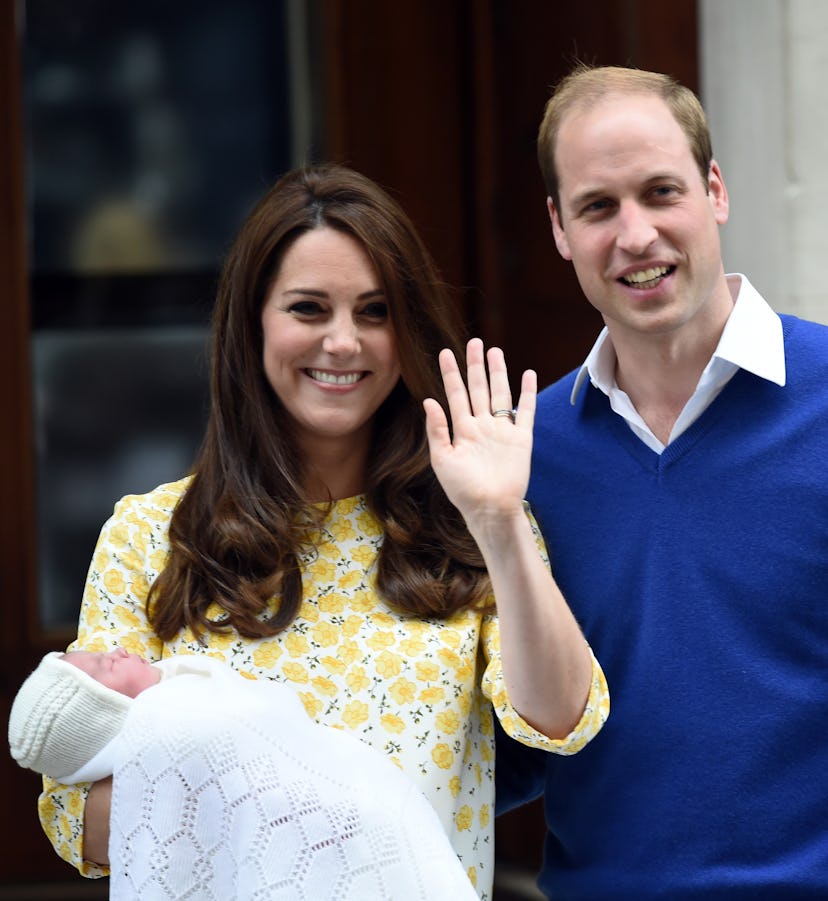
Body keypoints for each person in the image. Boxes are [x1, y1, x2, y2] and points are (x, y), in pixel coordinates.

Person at [36, 164, 609, 899]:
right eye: (309, 308)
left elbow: (562, 717)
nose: (344, 342)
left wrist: (499, 521)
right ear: (252, 324)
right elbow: (78, 822)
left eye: (375, 312)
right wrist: (311, 793)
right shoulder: (151, 535)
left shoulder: (470, 522)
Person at [495, 62, 828, 899]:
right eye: (599, 207)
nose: (636, 235)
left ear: (714, 190)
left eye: (660, 192)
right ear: (559, 229)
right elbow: (513, 752)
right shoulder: (526, 454)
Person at [10, 648, 481, 899]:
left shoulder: (185, 698)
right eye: (95, 670)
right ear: (102, 714)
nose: (109, 652)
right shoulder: (174, 725)